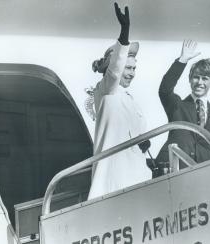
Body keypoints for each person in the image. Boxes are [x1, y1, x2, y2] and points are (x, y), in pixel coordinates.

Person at [88, 3, 151, 200]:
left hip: (136, 177)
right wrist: (125, 33)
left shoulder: (131, 101)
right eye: (128, 68)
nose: (131, 73)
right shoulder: (107, 90)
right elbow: (115, 70)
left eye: (134, 69)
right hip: (115, 180)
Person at [156, 40, 210, 169]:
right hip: (175, 168)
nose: (199, 82)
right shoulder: (177, 105)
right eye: (196, 77)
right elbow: (165, 89)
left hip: (203, 174)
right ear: (190, 79)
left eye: (205, 78)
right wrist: (182, 60)